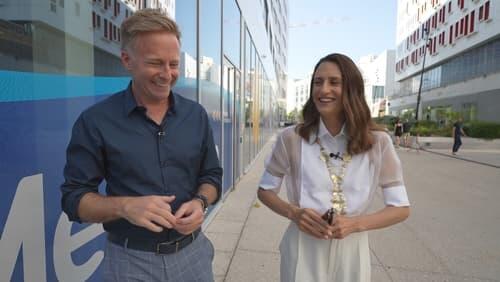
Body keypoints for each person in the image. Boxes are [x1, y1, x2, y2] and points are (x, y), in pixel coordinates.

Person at [60, 9, 222, 282]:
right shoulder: (96, 121)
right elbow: (73, 199)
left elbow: (212, 177)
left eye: (173, 64)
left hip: (194, 255)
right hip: (130, 262)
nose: (167, 74)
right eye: (155, 63)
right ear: (127, 60)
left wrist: (200, 201)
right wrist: (125, 207)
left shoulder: (196, 116)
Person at [257, 53, 410, 282]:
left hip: (352, 248)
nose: (323, 89)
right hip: (303, 245)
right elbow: (265, 190)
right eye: (318, 82)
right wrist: (294, 213)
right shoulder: (291, 138)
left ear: (351, 89)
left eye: (334, 82)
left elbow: (400, 208)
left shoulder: (378, 142)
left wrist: (356, 224)